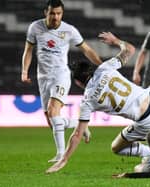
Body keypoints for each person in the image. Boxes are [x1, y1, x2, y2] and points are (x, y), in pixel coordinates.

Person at [45, 31, 150, 174]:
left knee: (116, 147)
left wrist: (64, 159)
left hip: (148, 122)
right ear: (91, 69)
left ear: (78, 82)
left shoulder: (87, 101)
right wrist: (116, 41)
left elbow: (77, 134)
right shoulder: (105, 68)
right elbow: (130, 49)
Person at [21, 0, 102, 162]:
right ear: (46, 12)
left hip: (61, 75)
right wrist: (24, 71)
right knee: (51, 120)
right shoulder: (35, 27)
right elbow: (28, 51)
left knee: (53, 112)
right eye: (52, 13)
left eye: (59, 14)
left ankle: (60, 155)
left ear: (62, 14)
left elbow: (86, 49)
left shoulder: (69, 30)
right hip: (42, 77)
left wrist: (101, 65)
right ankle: (81, 126)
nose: (55, 17)